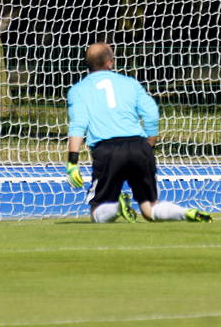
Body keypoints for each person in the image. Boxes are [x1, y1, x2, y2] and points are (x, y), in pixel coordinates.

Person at [65, 42, 212, 224]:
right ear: (110, 63)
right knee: (150, 208)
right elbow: (151, 113)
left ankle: (116, 207)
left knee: (97, 211)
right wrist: (149, 145)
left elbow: (78, 125)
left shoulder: (78, 90)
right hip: (139, 145)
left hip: (108, 150)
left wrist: (72, 161)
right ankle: (185, 213)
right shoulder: (130, 83)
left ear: (88, 63)